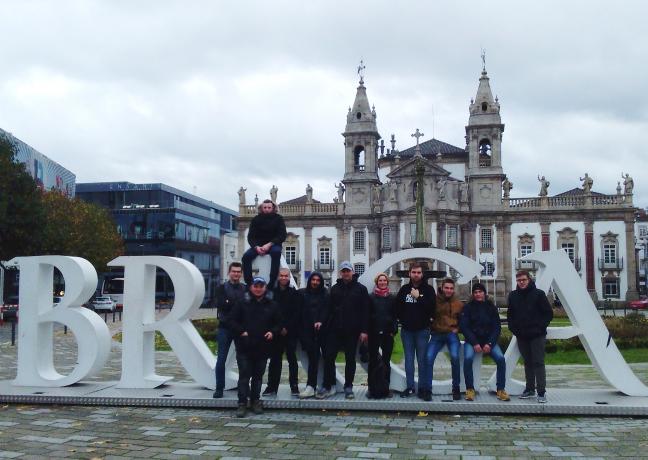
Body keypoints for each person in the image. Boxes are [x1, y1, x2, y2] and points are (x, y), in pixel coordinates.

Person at [228, 276, 281, 417]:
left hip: (263, 347)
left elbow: (278, 323)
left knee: (258, 377)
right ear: (251, 287)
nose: (258, 289)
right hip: (245, 346)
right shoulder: (241, 303)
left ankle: (255, 400)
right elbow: (231, 321)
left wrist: (272, 332)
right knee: (244, 376)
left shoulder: (272, 304)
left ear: (265, 288)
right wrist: (241, 331)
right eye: (255, 286)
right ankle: (241, 403)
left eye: (261, 286)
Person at [318, 261, 370, 400]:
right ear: (341, 273)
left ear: (352, 272)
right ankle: (328, 385)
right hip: (334, 329)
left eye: (348, 271)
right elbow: (328, 309)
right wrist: (321, 322)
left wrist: (364, 330)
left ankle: (348, 386)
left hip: (352, 330)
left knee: (350, 359)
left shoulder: (361, 289)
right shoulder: (334, 289)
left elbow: (365, 311)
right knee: (329, 357)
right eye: (344, 271)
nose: (346, 273)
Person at [507, 270, 553, 404]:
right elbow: (510, 316)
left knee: (538, 362)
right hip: (522, 335)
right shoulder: (513, 295)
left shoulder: (539, 294)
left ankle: (541, 392)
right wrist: (515, 329)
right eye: (519, 280)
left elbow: (548, 314)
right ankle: (529, 389)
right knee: (527, 363)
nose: (521, 282)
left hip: (537, 335)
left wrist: (540, 327)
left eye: (524, 280)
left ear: (529, 280)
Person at [460, 283, 510, 402]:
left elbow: (497, 327)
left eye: (480, 292)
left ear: (484, 293)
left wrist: (490, 343)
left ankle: (500, 389)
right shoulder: (468, 307)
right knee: (467, 359)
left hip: (488, 341)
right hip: (473, 341)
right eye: (475, 292)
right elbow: (464, 327)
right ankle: (470, 389)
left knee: (500, 359)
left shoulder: (491, 307)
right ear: (473, 294)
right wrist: (474, 343)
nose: (478, 294)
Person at [395, 262, 436, 401]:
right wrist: (402, 319)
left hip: (422, 331)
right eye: (414, 272)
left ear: (422, 274)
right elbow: (397, 307)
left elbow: (431, 308)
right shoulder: (404, 289)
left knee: (422, 360)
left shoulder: (429, 290)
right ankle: (410, 387)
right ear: (409, 273)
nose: (416, 275)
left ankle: (424, 389)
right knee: (408, 360)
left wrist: (419, 297)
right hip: (407, 331)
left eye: (419, 272)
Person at [264, 268, 300, 397]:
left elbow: (297, 313)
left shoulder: (294, 293)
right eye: (281, 275)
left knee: (292, 359)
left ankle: (294, 386)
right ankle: (271, 386)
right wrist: (279, 328)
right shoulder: (272, 293)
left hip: (290, 332)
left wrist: (287, 327)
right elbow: (270, 312)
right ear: (278, 277)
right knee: (275, 360)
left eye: (286, 276)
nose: (284, 278)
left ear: (289, 277)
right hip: (276, 331)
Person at [425, 278, 463, 400]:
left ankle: (455, 388)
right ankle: (427, 389)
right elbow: (427, 314)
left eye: (451, 288)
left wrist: (458, 328)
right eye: (446, 288)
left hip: (451, 334)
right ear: (442, 287)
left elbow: (464, 320)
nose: (449, 290)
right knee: (429, 357)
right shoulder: (434, 301)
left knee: (455, 357)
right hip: (437, 334)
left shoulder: (458, 303)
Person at [213, 262, 247, 399]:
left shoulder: (245, 288)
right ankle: (219, 388)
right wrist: (236, 306)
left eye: (239, 272)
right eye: (234, 271)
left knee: (243, 360)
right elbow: (221, 305)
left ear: (241, 273)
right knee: (221, 359)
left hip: (240, 329)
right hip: (225, 328)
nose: (236, 274)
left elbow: (246, 308)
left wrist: (230, 303)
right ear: (229, 272)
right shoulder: (221, 288)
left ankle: (244, 387)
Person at [241, 199, 287, 288]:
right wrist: (256, 247)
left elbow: (282, 235)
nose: (266, 209)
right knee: (246, 257)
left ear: (273, 208)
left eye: (269, 207)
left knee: (276, 253)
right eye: (265, 207)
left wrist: (269, 244)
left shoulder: (279, 219)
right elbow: (250, 237)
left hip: (274, 245)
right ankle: (249, 282)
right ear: (261, 208)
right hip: (258, 246)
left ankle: (272, 281)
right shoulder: (255, 219)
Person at [298, 272, 330, 399]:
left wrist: (320, 321)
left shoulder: (326, 295)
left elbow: (327, 310)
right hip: (309, 333)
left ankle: (328, 385)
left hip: (325, 332)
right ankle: (311, 386)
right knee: (313, 360)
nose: (315, 282)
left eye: (317, 280)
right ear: (310, 281)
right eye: (313, 280)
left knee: (328, 359)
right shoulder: (303, 294)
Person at [367, 272, 398, 398]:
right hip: (373, 333)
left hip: (387, 333)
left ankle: (386, 388)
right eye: (380, 280)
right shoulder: (371, 297)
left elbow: (395, 316)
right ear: (376, 282)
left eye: (384, 280)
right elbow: (367, 315)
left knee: (386, 361)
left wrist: (393, 331)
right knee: (373, 361)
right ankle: (371, 388)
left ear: (387, 282)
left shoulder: (392, 298)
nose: (382, 282)